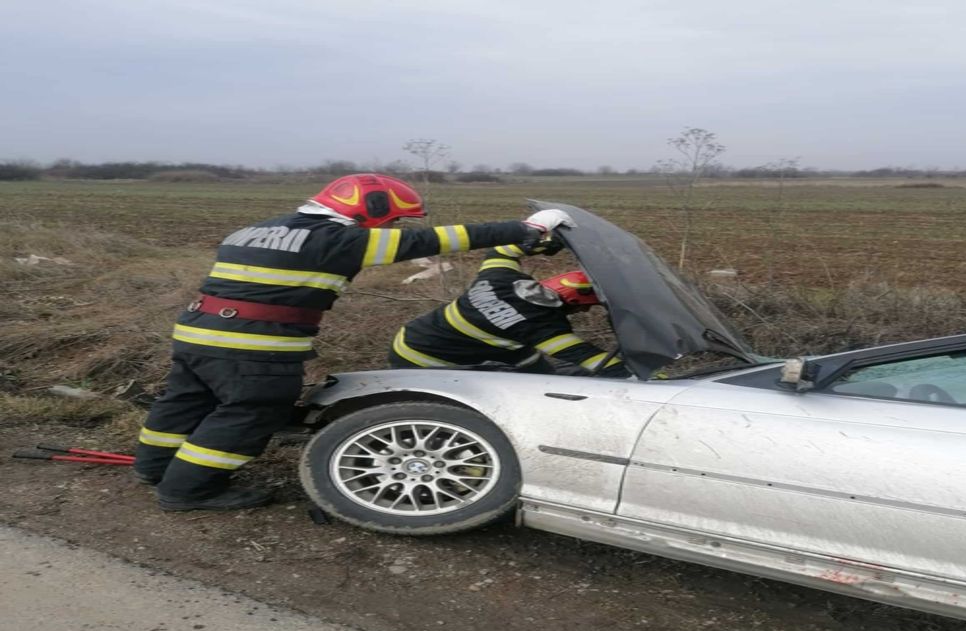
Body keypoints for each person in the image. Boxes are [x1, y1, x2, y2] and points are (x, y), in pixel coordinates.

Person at [134, 173, 572, 511]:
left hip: (197, 333)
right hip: (254, 345)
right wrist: (525, 231)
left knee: (184, 401)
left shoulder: (255, 229)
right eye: (393, 219)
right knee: (249, 411)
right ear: (371, 209)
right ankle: (190, 490)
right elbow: (437, 239)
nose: (396, 226)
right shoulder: (337, 240)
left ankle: (153, 469)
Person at [389, 242, 629, 377]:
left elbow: (501, 250)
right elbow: (590, 358)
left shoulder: (500, 278)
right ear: (575, 306)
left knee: (531, 364)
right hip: (425, 361)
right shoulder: (541, 327)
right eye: (584, 309)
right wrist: (638, 377)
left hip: (412, 335)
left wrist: (546, 240)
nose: (583, 314)